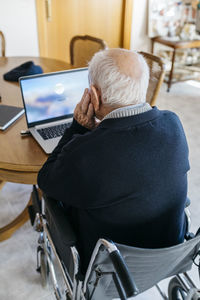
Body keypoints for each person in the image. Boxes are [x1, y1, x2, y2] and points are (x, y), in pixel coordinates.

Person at [38, 48, 190, 273]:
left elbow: (46, 179)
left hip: (110, 268)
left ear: (94, 95)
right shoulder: (173, 124)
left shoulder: (87, 152)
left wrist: (78, 127)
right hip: (168, 255)